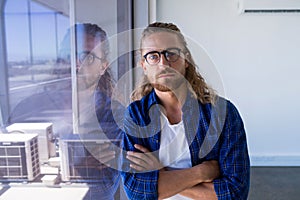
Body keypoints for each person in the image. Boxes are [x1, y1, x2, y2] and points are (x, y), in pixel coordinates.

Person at [121, 22, 250, 200]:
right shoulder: (136, 115)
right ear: (143, 65)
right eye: (153, 56)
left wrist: (160, 174)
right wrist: (201, 173)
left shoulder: (223, 113)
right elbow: (136, 191)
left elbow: (235, 193)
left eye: (171, 54)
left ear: (186, 60)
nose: (164, 63)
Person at [57, 23, 123, 199]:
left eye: (87, 57)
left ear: (103, 67)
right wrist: (82, 166)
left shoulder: (115, 116)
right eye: (69, 55)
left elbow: (102, 189)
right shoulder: (43, 107)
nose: (77, 64)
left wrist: (64, 169)